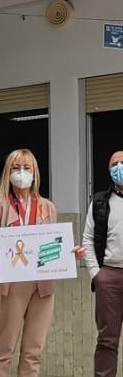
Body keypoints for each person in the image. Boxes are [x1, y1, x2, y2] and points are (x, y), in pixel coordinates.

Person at [0, 149, 83, 377]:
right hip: (11, 286)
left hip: (42, 287)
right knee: (3, 351)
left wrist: (70, 254)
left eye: (27, 168)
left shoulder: (48, 207)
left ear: (35, 173)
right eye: (17, 167)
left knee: (33, 352)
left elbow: (52, 247)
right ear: (8, 172)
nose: (22, 173)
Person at [86, 150, 123, 377]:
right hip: (108, 276)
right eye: (114, 164)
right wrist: (95, 274)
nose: (119, 166)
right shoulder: (100, 201)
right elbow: (87, 239)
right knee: (107, 341)